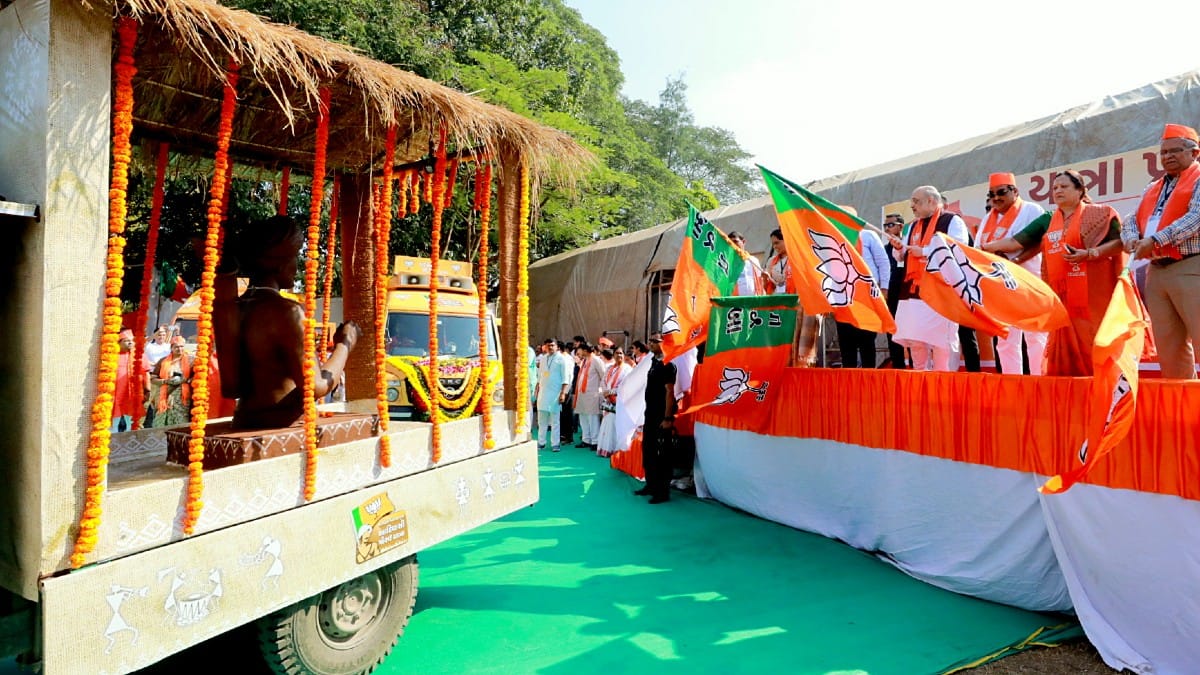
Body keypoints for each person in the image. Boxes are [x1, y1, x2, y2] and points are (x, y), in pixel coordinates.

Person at [212, 215, 360, 430]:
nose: (297, 267)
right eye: (295, 258)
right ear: (280, 263)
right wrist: (345, 343)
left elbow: (231, 387)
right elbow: (315, 386)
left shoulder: (233, 306)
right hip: (283, 426)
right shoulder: (286, 311)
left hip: (245, 421)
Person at [984, 170, 1124, 376]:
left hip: (1094, 296)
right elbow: (1015, 243)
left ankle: (1105, 392)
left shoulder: (1100, 213)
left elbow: (1120, 243)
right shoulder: (1048, 219)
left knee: (1097, 345)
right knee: (1062, 351)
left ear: (1080, 190)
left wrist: (1090, 253)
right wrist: (982, 247)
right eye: (1055, 188)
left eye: (1064, 187)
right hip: (1061, 297)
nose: (1058, 191)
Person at [1122, 123, 1200, 380]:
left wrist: (1155, 239)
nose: (1167, 156)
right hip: (1157, 271)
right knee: (1168, 346)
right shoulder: (1152, 187)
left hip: (1191, 266)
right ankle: (1181, 409)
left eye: (1175, 150)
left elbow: (1196, 217)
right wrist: (1133, 238)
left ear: (1194, 153)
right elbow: (1131, 219)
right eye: (1164, 152)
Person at [974, 172, 1048, 375]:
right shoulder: (989, 218)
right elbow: (979, 248)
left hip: (1029, 282)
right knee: (1006, 339)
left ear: (1015, 191)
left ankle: (1039, 383)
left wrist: (1016, 261)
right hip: (1001, 285)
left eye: (1001, 192)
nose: (996, 198)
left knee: (1035, 337)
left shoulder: (1032, 209)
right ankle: (1012, 383)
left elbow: (1040, 242)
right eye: (992, 194)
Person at [892, 186, 970, 371]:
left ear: (932, 201)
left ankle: (944, 384)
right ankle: (921, 383)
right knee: (916, 341)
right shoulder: (913, 226)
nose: (912, 206)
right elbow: (902, 257)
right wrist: (898, 249)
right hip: (913, 292)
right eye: (912, 202)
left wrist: (925, 252)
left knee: (941, 344)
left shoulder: (952, 221)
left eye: (916, 201)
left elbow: (959, 249)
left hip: (941, 290)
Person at [834, 221, 891, 368]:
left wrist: (884, 289)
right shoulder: (834, 238)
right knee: (846, 344)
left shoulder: (867, 235)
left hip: (867, 296)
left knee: (866, 341)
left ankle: (869, 381)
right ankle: (850, 384)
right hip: (844, 298)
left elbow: (883, 262)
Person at [635, 333, 677, 504]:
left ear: (663, 343)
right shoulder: (653, 363)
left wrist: (668, 417)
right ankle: (651, 485)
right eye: (650, 341)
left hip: (661, 416)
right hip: (650, 414)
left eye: (654, 341)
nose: (650, 344)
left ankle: (662, 491)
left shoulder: (668, 364)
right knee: (649, 451)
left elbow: (669, 392)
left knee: (662, 454)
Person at [534, 338, 572, 452]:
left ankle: (555, 444)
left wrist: (563, 393)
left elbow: (566, 378)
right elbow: (540, 377)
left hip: (555, 394)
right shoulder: (543, 358)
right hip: (543, 393)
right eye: (548, 345)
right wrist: (537, 391)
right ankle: (541, 443)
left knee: (555, 421)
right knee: (542, 420)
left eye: (552, 345)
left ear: (557, 346)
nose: (550, 347)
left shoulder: (562, 359)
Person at [881, 214, 908, 368]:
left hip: (908, 296)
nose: (887, 229)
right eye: (885, 226)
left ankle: (915, 365)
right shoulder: (884, 249)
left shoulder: (909, 245)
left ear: (900, 227)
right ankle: (897, 365)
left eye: (890, 225)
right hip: (891, 296)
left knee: (913, 332)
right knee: (892, 331)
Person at [596, 347, 631, 457]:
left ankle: (618, 451)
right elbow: (603, 382)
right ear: (614, 355)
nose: (619, 355)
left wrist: (611, 392)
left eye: (621, 353)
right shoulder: (609, 368)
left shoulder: (627, 369)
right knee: (608, 423)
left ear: (624, 355)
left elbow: (627, 386)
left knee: (617, 425)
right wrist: (605, 392)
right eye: (617, 353)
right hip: (608, 401)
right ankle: (606, 449)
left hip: (620, 401)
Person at [151, 336, 193, 428]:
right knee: (161, 419)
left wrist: (185, 380)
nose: (179, 349)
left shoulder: (191, 360)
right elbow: (153, 379)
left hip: (182, 397)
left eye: (181, 346)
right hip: (164, 394)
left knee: (181, 421)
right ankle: (161, 439)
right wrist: (166, 381)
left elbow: (196, 377)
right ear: (171, 348)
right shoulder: (163, 361)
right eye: (176, 347)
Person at [572, 343, 606, 450]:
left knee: (592, 418)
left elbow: (603, 376)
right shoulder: (584, 360)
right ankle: (586, 439)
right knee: (583, 417)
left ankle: (595, 441)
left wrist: (602, 392)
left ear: (585, 350)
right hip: (582, 395)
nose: (578, 353)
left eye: (580, 350)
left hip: (592, 394)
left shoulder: (596, 360)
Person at [111, 329, 144, 433]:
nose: (130, 342)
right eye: (126, 340)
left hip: (131, 392)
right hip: (114, 392)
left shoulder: (137, 355)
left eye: (132, 340)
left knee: (130, 413)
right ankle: (113, 432)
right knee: (114, 412)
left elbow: (145, 372)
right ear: (119, 342)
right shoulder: (112, 356)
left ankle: (130, 433)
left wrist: (147, 390)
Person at [729, 231, 765, 295]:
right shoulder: (728, 262)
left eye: (735, 241)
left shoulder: (753, 260)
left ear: (743, 242)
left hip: (753, 300)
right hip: (735, 302)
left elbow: (760, 281)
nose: (733, 245)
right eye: (730, 243)